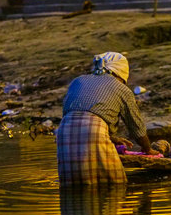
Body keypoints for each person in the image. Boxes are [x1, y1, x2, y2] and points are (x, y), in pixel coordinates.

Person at [57, 51, 159, 185]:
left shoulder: (78, 81)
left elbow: (75, 116)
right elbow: (136, 127)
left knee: (74, 183)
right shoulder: (121, 89)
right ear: (121, 73)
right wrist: (147, 149)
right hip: (93, 132)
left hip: (64, 132)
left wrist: (111, 137)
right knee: (114, 184)